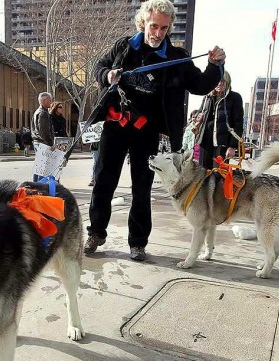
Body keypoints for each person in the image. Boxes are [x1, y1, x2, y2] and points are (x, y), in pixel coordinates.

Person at [84, 0, 225, 261]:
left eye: (164, 27)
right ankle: (96, 232)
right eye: (153, 26)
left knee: (142, 186)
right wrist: (107, 75)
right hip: (116, 125)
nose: (158, 33)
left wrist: (215, 65)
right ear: (143, 23)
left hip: (145, 131)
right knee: (104, 181)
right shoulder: (124, 46)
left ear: (169, 27)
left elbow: (201, 85)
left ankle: (137, 242)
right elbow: (98, 68)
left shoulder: (177, 57)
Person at [196, 70, 244, 169]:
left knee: (219, 176)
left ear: (227, 82)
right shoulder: (207, 97)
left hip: (222, 145)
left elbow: (238, 124)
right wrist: (198, 116)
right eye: (217, 81)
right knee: (202, 175)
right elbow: (199, 113)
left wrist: (232, 146)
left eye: (223, 81)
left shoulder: (235, 98)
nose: (219, 83)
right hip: (205, 143)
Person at [31, 92, 55, 181]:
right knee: (43, 168)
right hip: (43, 143)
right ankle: (40, 186)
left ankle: (35, 185)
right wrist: (51, 143)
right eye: (50, 100)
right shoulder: (43, 113)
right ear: (44, 101)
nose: (51, 102)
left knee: (38, 167)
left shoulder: (37, 112)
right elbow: (44, 131)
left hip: (38, 142)